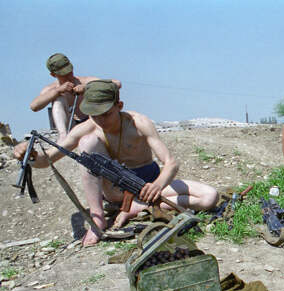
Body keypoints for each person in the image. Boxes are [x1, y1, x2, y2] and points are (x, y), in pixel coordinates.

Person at [15, 80, 219, 246]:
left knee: (209, 197)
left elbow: (171, 163)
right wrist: (30, 154)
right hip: (117, 192)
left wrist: (157, 186)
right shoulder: (87, 129)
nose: (101, 121)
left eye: (106, 114)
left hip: (149, 186)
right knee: (87, 143)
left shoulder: (138, 122)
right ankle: (98, 218)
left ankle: (135, 208)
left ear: (119, 106)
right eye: (95, 115)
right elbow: (47, 160)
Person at [30, 53, 122, 143]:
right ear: (53, 75)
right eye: (64, 74)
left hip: (92, 122)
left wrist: (87, 88)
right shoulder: (52, 88)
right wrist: (58, 91)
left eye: (70, 72)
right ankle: (63, 136)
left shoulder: (85, 81)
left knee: (97, 94)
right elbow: (34, 106)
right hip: (72, 127)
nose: (69, 76)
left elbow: (117, 83)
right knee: (58, 99)